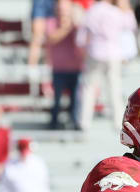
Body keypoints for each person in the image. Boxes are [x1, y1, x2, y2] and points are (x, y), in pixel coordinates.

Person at [76, 0, 137, 131]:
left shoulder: (92, 11)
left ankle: (84, 122)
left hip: (95, 52)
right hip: (112, 53)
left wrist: (84, 51)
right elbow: (131, 24)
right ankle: (118, 122)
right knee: (114, 88)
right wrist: (125, 7)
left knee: (89, 89)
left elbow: (81, 36)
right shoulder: (115, 12)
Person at [46, 0, 83, 130]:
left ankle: (74, 121)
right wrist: (66, 28)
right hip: (59, 68)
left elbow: (82, 40)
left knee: (75, 99)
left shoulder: (76, 23)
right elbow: (51, 38)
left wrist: (76, 24)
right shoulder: (51, 22)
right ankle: (54, 122)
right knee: (56, 99)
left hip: (76, 67)